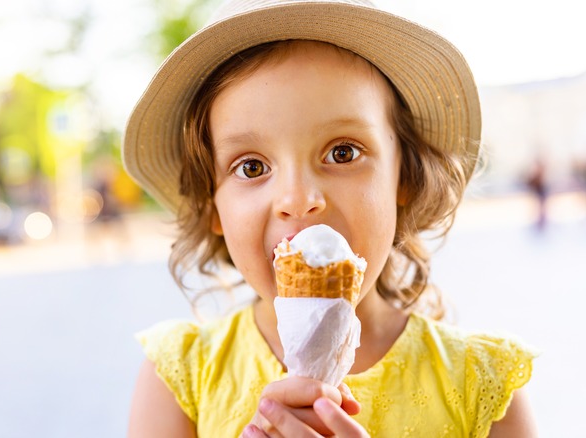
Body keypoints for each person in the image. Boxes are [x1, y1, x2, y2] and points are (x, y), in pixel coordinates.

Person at [123, 0, 538, 436]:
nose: (298, 199)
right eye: (251, 167)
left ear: (406, 177)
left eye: (343, 153)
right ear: (212, 207)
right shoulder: (178, 381)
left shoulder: (483, 388)